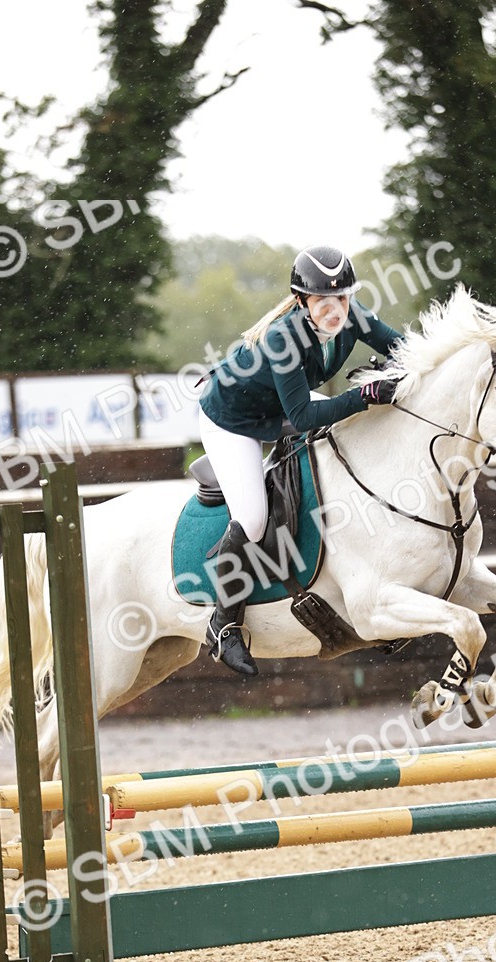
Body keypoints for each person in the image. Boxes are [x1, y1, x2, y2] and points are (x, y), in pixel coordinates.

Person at [198, 244, 403, 677]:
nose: (336, 309)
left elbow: (402, 347)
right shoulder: (282, 338)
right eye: (324, 300)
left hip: (279, 404)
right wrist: (364, 395)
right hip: (232, 420)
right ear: (301, 300)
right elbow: (305, 417)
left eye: (343, 297)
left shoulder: (352, 315)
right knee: (253, 519)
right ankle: (224, 625)